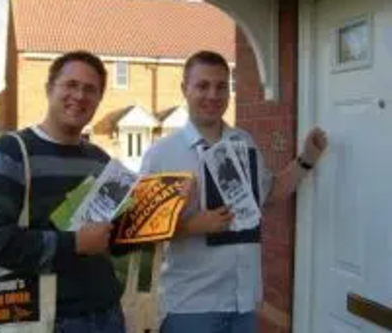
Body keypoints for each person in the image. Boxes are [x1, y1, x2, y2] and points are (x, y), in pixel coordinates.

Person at [140, 50, 328, 333]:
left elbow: (271, 192)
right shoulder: (161, 155)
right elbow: (141, 232)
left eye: (221, 86)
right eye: (202, 86)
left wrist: (307, 159)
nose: (213, 95)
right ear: (184, 89)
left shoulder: (245, 143)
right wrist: (193, 225)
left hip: (244, 304)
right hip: (192, 308)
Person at [0, 51, 126, 333]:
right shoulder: (10, 153)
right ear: (49, 89)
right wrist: (74, 243)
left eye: (90, 89)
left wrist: (158, 216)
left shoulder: (102, 162)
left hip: (108, 314)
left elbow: (111, 241)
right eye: (71, 85)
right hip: (42, 321)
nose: (80, 96)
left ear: (99, 99)